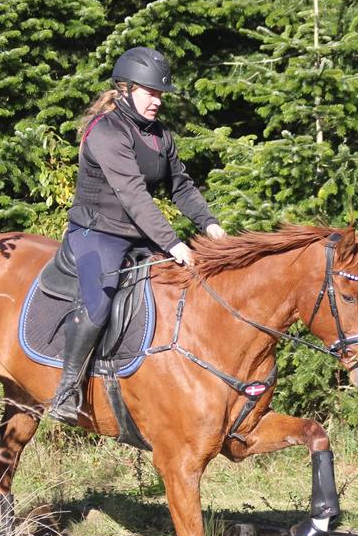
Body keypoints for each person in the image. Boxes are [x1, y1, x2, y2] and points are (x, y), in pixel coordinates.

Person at [49, 46, 227, 423]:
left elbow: (181, 187)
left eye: (160, 94)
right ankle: (67, 389)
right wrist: (175, 243)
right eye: (151, 93)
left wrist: (211, 226)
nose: (157, 101)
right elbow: (133, 195)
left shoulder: (161, 136)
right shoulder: (106, 132)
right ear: (126, 89)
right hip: (95, 234)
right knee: (98, 305)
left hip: (137, 236)